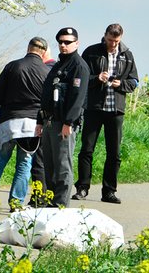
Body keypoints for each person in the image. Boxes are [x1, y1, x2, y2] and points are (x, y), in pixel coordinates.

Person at [0, 37, 50, 211]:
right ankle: (16, 203)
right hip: (32, 124)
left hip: (9, 121)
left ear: (28, 47)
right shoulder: (46, 71)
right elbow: (48, 102)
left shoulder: (13, 66)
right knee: (24, 164)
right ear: (43, 52)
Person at [73, 24, 139, 204]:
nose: (113, 44)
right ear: (105, 36)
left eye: (116, 41)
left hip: (115, 110)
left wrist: (121, 85)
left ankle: (109, 191)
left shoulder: (127, 55)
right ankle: (82, 188)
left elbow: (134, 82)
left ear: (121, 38)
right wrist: (96, 79)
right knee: (87, 149)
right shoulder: (92, 52)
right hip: (94, 108)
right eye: (110, 40)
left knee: (114, 153)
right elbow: (80, 77)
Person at [36, 27, 89, 208]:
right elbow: (46, 95)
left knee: (63, 165)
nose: (63, 45)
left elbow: (78, 98)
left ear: (76, 43)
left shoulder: (79, 66)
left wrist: (69, 122)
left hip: (64, 123)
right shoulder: (59, 64)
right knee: (49, 166)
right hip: (49, 121)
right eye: (60, 42)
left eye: (67, 42)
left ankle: (60, 205)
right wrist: (39, 121)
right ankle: (51, 201)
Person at [28, 47, 56, 206]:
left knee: (39, 161)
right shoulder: (53, 69)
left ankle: (39, 198)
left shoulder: (46, 69)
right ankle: (44, 196)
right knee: (45, 160)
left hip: (42, 118)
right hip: (49, 118)